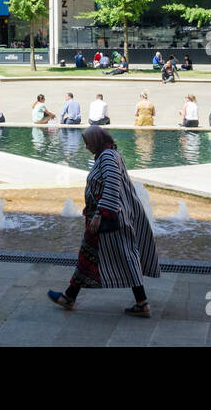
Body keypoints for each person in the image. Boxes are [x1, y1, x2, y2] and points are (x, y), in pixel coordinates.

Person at [48, 125, 160, 316]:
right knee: (90, 256)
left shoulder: (107, 157)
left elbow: (112, 183)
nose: (86, 147)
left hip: (108, 218)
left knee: (124, 256)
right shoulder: (108, 155)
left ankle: (142, 303)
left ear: (98, 140)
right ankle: (69, 296)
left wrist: (101, 213)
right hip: (107, 216)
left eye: (88, 142)